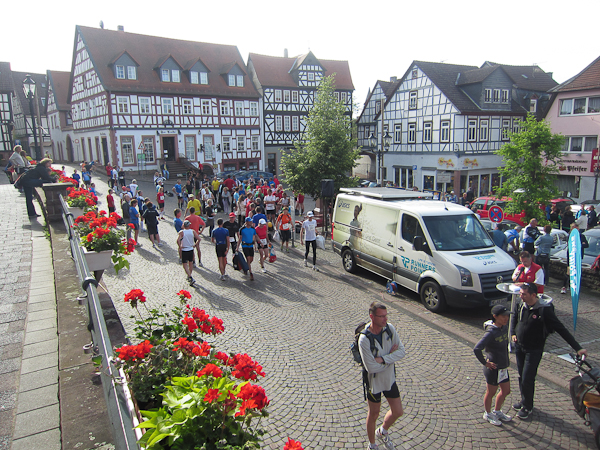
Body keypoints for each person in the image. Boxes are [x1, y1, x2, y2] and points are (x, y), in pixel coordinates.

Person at [510, 282, 588, 419]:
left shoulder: (544, 310)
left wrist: (578, 348)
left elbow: (561, 329)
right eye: (520, 293)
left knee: (528, 378)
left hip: (534, 349)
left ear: (533, 295)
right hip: (520, 347)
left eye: (524, 294)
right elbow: (514, 319)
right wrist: (513, 333)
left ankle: (528, 407)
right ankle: (524, 400)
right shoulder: (521, 304)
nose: (520, 296)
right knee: (522, 376)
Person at [359, 302, 405, 450]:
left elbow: (402, 351)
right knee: (374, 414)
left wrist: (383, 359)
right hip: (374, 383)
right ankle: (372, 445)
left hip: (389, 379)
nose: (385, 319)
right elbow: (371, 367)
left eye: (386, 315)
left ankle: (382, 431)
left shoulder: (389, 329)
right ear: (372, 317)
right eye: (381, 316)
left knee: (398, 411)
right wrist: (391, 358)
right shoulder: (364, 339)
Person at [473, 305, 513, 426]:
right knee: (491, 392)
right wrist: (485, 363)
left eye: (507, 316)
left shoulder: (504, 328)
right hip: (493, 368)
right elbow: (477, 348)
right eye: (503, 316)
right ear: (495, 316)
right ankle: (488, 413)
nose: (506, 318)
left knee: (506, 390)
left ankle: (497, 411)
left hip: (503, 367)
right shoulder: (490, 332)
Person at [561, 222, 589, 294]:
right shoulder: (570, 236)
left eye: (575, 228)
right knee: (569, 272)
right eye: (572, 227)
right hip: (571, 256)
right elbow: (570, 245)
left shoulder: (582, 236)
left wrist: (581, 245)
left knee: (576, 272)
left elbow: (586, 245)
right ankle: (564, 286)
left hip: (578, 257)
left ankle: (572, 286)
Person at [177, 220, 200, 286]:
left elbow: (178, 240)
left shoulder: (181, 232)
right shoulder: (192, 231)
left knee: (184, 264)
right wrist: (195, 244)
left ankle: (190, 277)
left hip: (184, 249)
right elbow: (199, 239)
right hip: (191, 249)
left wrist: (180, 246)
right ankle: (189, 275)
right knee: (190, 263)